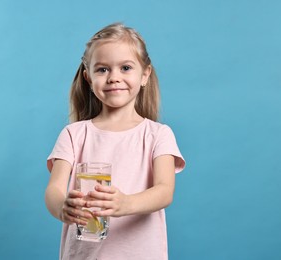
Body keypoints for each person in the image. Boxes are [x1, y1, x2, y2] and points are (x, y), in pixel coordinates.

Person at [45, 23, 185, 260]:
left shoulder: (158, 135)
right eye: (102, 70)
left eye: (126, 67)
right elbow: (54, 189)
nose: (114, 78)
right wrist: (62, 208)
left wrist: (125, 204)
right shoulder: (74, 134)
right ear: (89, 78)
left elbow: (164, 191)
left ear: (145, 75)